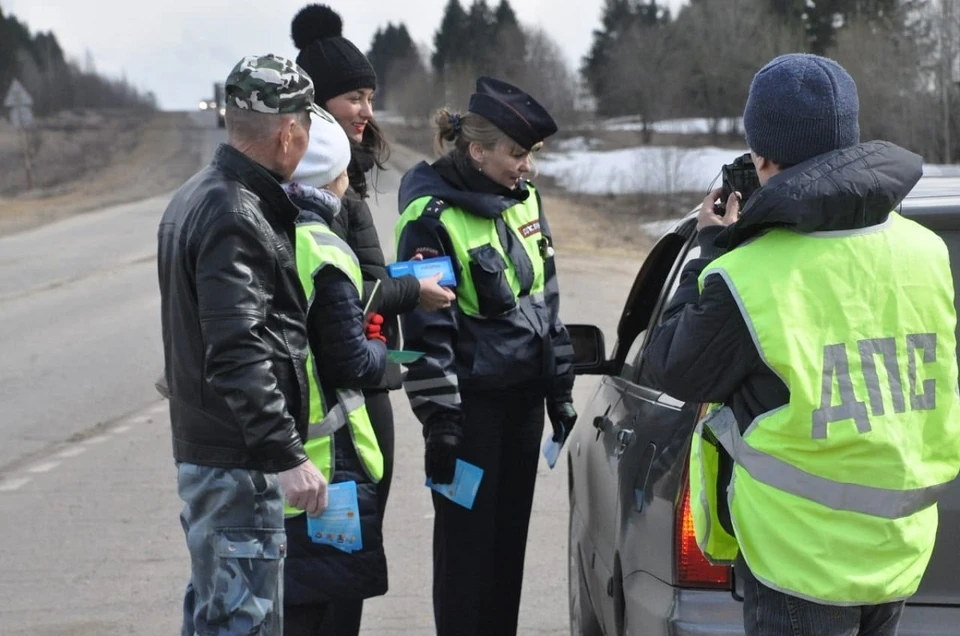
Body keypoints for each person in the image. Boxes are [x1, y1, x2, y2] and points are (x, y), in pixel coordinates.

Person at [640, 53, 960, 636]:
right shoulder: (926, 251)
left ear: (762, 157)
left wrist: (711, 252)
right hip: (898, 551)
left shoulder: (750, 274)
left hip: (799, 563)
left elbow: (673, 368)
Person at [289, 8, 455, 633]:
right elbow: (350, 291)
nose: (365, 110)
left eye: (368, 97)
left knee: (337, 570)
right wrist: (415, 290)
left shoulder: (343, 187)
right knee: (331, 577)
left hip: (356, 395)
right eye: (352, 97)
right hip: (345, 396)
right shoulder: (321, 199)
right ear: (315, 105)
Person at [394, 76, 579, 636]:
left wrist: (560, 391)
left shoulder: (525, 202)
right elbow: (427, 333)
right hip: (468, 420)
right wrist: (441, 427)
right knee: (465, 560)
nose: (527, 167)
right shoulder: (429, 218)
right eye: (517, 154)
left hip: (521, 410)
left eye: (531, 156)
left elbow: (546, 301)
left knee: (505, 556)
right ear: (477, 151)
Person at [157, 54, 330, 635]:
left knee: (216, 616)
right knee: (242, 623)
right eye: (306, 128)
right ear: (288, 132)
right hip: (236, 463)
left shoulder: (198, 194)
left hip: (212, 453)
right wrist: (288, 455)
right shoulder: (236, 211)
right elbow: (238, 351)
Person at [279, 106, 391, 635]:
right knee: (317, 610)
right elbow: (346, 357)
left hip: (277, 457)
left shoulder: (266, 231)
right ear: (331, 176)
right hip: (326, 464)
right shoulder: (323, 246)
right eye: (346, 171)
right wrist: (384, 361)